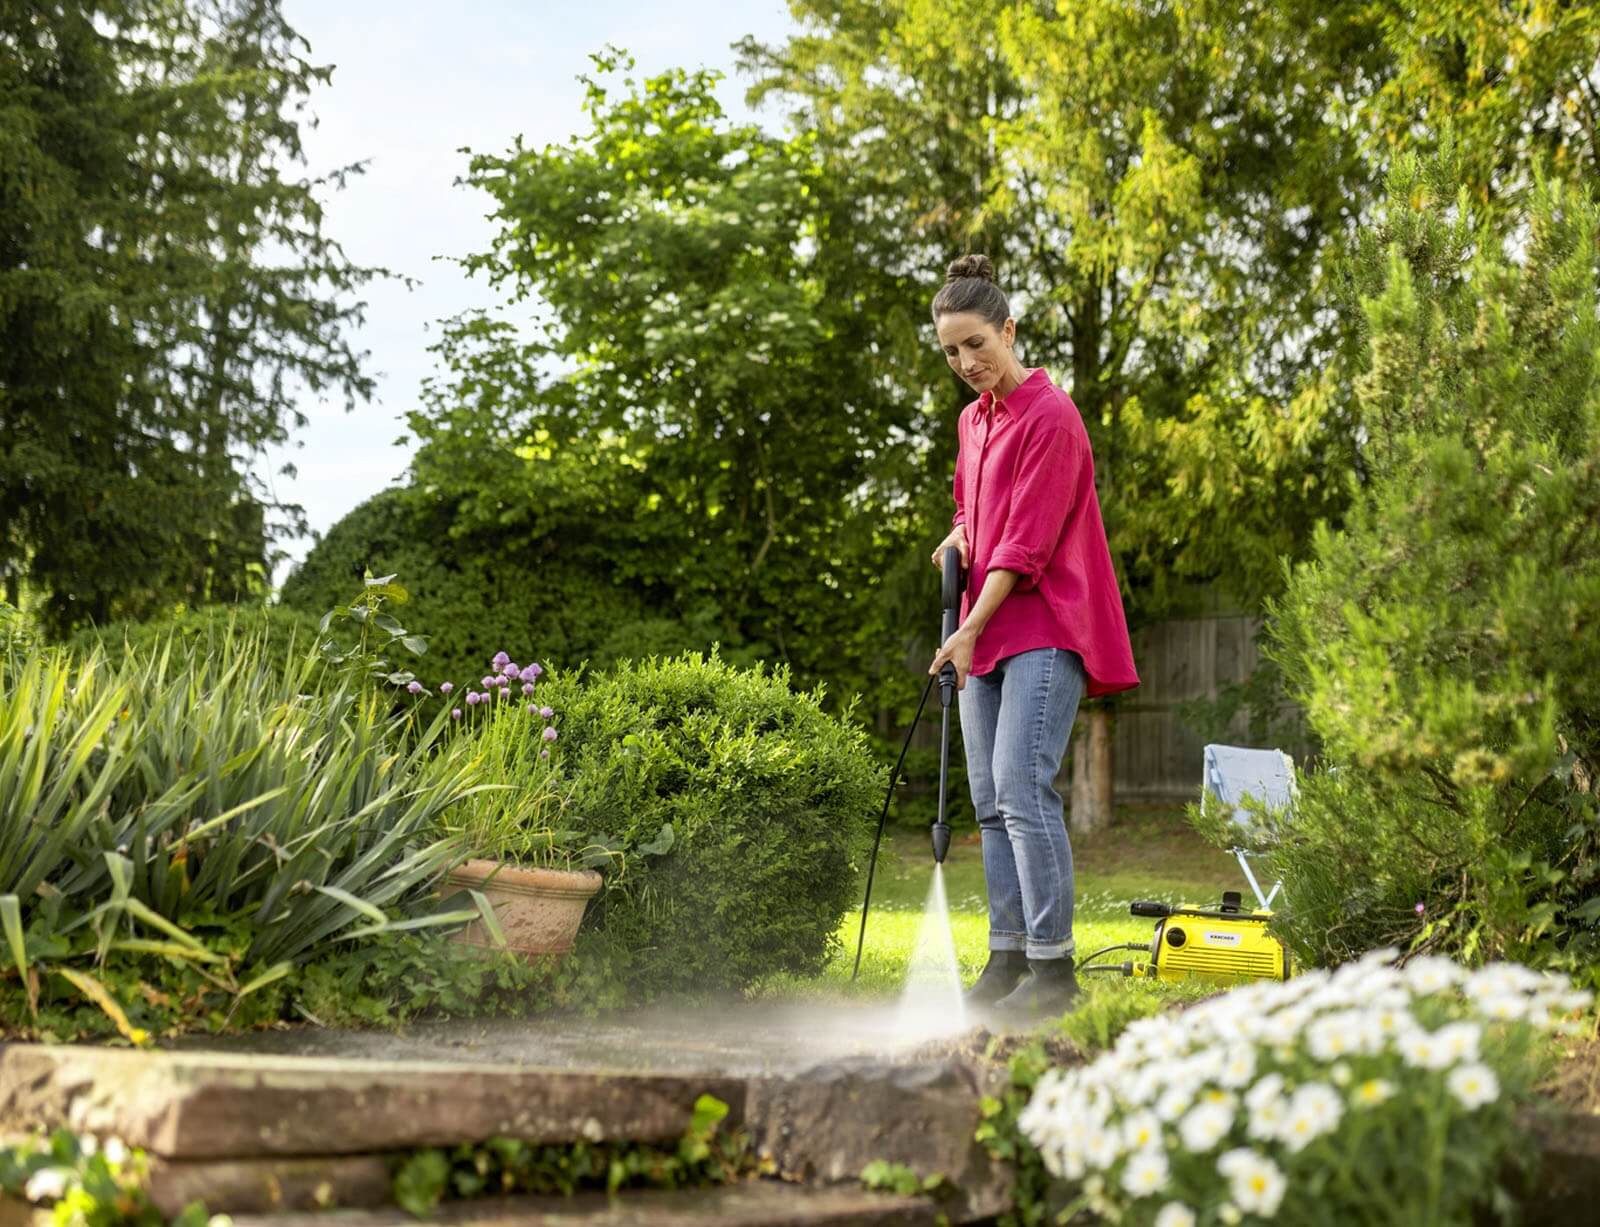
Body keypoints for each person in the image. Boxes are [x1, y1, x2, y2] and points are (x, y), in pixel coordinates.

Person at [927, 253, 1139, 1014]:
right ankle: (1008, 954)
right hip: (983, 631)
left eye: (977, 343)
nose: (966, 362)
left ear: (1009, 330)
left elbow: (1026, 546)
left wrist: (967, 628)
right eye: (951, 351)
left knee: (1022, 786)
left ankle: (1054, 971)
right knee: (989, 799)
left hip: (1044, 625)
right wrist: (958, 533)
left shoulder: (1052, 416)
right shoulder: (972, 421)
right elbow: (972, 505)